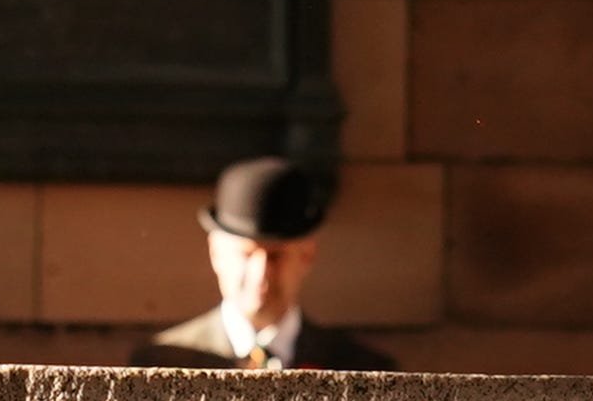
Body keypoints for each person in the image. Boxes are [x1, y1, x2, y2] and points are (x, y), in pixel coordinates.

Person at [132, 157, 398, 373]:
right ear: (216, 253)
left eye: (276, 256)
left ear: (307, 255)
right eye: (247, 255)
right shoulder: (162, 362)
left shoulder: (360, 370)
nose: (261, 275)